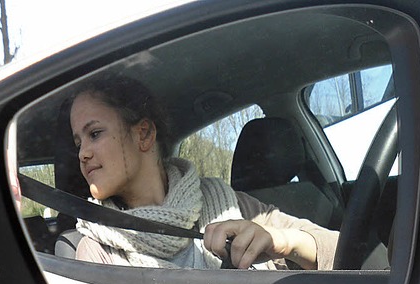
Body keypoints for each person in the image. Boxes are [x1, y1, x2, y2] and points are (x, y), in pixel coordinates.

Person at [68, 73, 338, 270]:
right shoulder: (97, 250)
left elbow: (339, 252)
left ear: (144, 134)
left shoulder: (230, 205)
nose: (83, 154)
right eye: (78, 143)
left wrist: (282, 242)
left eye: (94, 134)